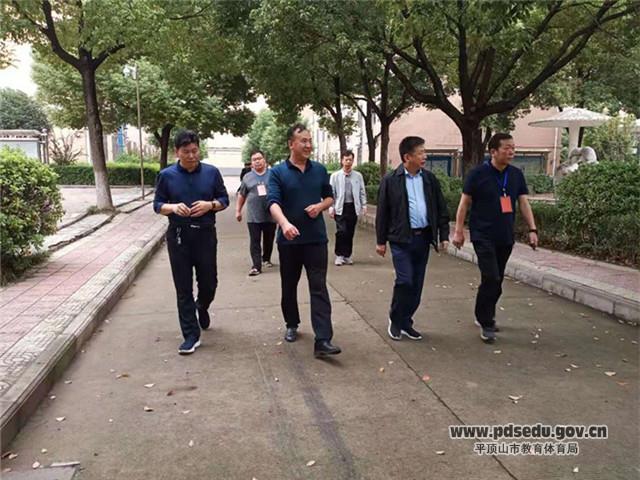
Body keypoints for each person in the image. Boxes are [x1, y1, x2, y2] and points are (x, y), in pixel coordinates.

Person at [452, 133, 538, 344]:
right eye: (507, 148)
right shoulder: (477, 174)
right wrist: (459, 230)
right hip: (482, 234)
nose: (511, 152)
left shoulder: (516, 175)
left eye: (513, 148)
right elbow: (464, 203)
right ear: (493, 151)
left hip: (505, 236)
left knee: (496, 280)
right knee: (491, 277)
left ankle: (483, 311)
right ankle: (486, 322)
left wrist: (532, 229)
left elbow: (523, 202)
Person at [267, 123, 341, 358]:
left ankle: (323, 339)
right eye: (304, 141)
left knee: (319, 287)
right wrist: (284, 224)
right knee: (289, 286)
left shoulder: (319, 169)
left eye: (310, 141)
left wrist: (320, 206)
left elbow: (329, 197)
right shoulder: (277, 172)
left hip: (316, 239)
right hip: (289, 242)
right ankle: (292, 323)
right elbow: (273, 203)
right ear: (291, 144)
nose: (309, 145)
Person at [153, 130, 229, 355]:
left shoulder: (211, 173)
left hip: (205, 235)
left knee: (209, 283)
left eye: (195, 151)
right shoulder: (167, 175)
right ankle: (190, 335)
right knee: (183, 287)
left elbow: (224, 199)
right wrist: (173, 207)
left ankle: (202, 305)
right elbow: (158, 205)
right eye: (186, 152)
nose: (192, 155)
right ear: (177, 152)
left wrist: (210, 205)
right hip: (179, 237)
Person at [375, 136, 450, 342]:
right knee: (405, 281)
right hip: (401, 240)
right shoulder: (391, 180)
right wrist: (380, 241)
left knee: (416, 284)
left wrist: (443, 235)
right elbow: (382, 213)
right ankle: (395, 319)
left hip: (423, 238)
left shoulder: (429, 179)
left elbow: (441, 208)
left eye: (425, 152)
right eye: (420, 153)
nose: (425, 156)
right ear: (407, 157)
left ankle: (406, 321)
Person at [236, 150, 276, 276]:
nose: (257, 161)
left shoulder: (273, 175)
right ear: (251, 163)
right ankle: (256, 266)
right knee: (255, 241)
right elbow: (242, 195)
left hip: (271, 214)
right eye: (254, 160)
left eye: (259, 158)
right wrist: (238, 210)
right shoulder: (247, 177)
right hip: (253, 216)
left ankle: (266, 258)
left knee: (269, 239)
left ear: (265, 160)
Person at [329, 150, 367, 266]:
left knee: (350, 232)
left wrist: (364, 205)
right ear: (342, 161)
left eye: (350, 160)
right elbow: (331, 193)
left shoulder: (358, 176)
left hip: (352, 207)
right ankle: (339, 255)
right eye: (346, 160)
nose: (348, 162)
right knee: (341, 231)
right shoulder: (335, 176)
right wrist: (331, 207)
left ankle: (347, 255)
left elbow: (362, 191)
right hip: (340, 207)